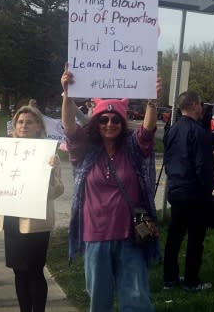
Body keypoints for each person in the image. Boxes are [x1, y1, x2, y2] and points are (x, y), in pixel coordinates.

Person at [61, 63, 160, 312]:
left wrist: (151, 100)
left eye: (115, 119)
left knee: (136, 300)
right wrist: (67, 95)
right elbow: (71, 130)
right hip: (96, 237)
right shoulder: (85, 151)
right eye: (103, 119)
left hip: (131, 236)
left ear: (123, 122)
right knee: (99, 300)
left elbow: (147, 132)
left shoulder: (133, 150)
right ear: (96, 122)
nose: (109, 123)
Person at [0, 105, 64, 312]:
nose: (24, 125)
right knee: (18, 271)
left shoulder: (48, 155)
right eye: (20, 121)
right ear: (15, 126)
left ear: (38, 127)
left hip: (35, 222)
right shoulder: (2, 151)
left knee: (34, 271)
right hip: (11, 219)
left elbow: (58, 190)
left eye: (29, 122)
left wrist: (51, 174)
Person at [162, 91, 214, 292]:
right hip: (194, 192)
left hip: (176, 189)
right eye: (200, 104)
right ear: (194, 105)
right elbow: (203, 165)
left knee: (174, 236)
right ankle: (192, 282)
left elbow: (168, 160)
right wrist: (208, 188)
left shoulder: (172, 130)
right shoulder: (198, 132)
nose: (201, 107)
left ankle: (169, 278)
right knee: (195, 239)